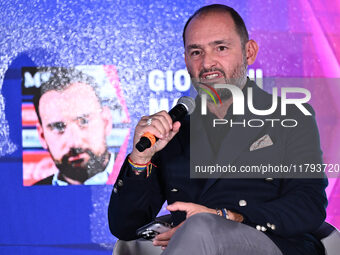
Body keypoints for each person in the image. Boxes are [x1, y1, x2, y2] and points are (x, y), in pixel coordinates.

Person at [108, 4, 327, 255]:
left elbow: (308, 206)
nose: (207, 62)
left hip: (273, 245)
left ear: (249, 52)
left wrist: (227, 217)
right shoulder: (174, 128)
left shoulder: (291, 117)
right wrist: (140, 158)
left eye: (220, 48)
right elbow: (124, 227)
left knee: (200, 226)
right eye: (196, 52)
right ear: (186, 60)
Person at [33, 67, 114, 185]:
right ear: (42, 136)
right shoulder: (28, 198)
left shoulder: (143, 181)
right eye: (58, 127)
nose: (74, 143)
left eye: (84, 121)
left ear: (106, 122)